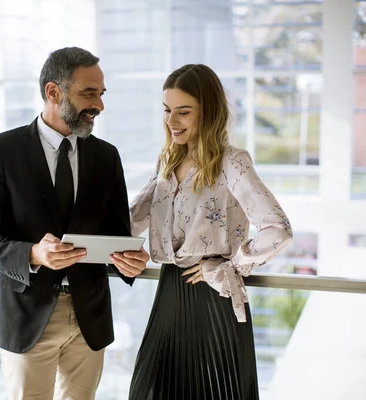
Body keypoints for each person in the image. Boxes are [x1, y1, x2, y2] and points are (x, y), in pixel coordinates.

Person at [0, 47, 149, 400]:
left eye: (100, 94)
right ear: (54, 92)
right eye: (89, 93)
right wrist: (34, 254)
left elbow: (117, 236)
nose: (99, 105)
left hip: (89, 319)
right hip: (26, 317)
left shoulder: (106, 156)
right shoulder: (2, 151)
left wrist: (131, 263)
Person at [127, 64, 293, 399]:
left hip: (214, 297)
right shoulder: (167, 162)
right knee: (148, 391)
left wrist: (229, 267)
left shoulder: (232, 162)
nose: (172, 122)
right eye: (167, 111)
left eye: (183, 112)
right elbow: (133, 219)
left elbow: (278, 229)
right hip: (169, 293)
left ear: (210, 111)